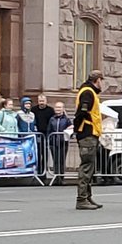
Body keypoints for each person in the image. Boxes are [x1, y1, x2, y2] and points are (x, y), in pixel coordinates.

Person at [73, 70, 105, 210]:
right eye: (102, 81)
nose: (102, 84)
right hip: (87, 133)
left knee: (90, 167)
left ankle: (87, 197)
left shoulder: (89, 92)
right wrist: (78, 129)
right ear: (97, 80)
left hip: (90, 133)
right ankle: (81, 199)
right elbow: (82, 112)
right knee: (86, 166)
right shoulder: (88, 92)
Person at [47, 102, 73, 181]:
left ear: (63, 109)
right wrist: (49, 139)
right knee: (55, 160)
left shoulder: (67, 119)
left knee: (62, 160)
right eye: (56, 107)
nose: (58, 109)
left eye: (60, 107)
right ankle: (56, 176)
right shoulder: (52, 119)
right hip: (54, 142)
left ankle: (61, 177)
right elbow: (49, 130)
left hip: (63, 142)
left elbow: (71, 130)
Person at [33, 94, 54, 174]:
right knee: (37, 152)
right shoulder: (34, 109)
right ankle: (38, 170)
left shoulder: (50, 110)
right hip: (37, 134)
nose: (41, 103)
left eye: (43, 101)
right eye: (40, 101)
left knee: (45, 152)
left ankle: (44, 170)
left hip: (47, 134)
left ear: (46, 101)